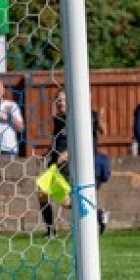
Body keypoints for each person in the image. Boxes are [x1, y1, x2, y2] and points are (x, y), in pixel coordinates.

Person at [38, 89, 109, 238]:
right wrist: (49, 151)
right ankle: (51, 230)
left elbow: (95, 135)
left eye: (63, 100)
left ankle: (98, 214)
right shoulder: (58, 119)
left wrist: (69, 153)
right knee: (42, 193)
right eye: (58, 100)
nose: (60, 103)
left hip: (70, 165)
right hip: (55, 164)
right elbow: (58, 139)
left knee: (68, 202)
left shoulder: (83, 116)